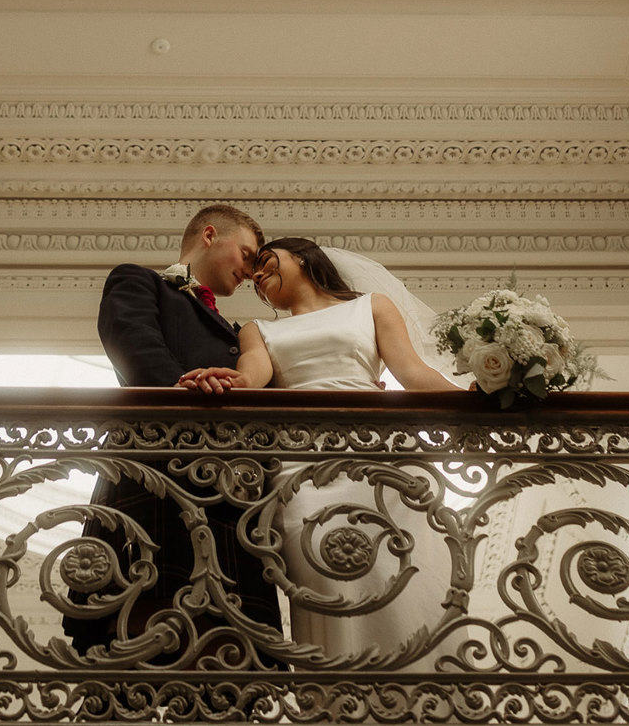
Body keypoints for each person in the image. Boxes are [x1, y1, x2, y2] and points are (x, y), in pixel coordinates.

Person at [179, 238, 461, 660]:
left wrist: (472, 396)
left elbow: (413, 372)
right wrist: (229, 381)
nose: (257, 275)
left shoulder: (371, 306)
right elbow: (252, 374)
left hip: (379, 457)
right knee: (323, 572)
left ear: (303, 256)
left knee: (403, 571)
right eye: (253, 275)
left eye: (267, 261)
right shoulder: (259, 330)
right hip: (303, 465)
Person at [62, 204, 281, 658]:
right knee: (147, 603)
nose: (249, 271)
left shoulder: (242, 333)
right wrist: (187, 395)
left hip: (230, 488)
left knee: (230, 630)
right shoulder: (139, 281)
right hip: (154, 465)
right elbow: (134, 345)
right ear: (208, 235)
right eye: (246, 253)